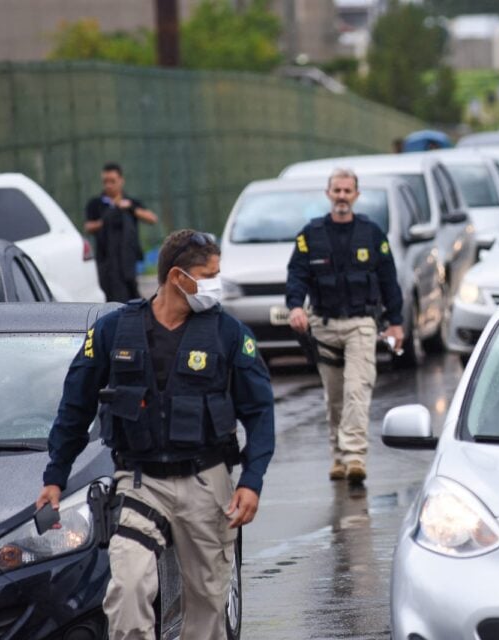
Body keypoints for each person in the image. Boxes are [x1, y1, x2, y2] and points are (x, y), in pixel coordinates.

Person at [36, 229, 275, 640]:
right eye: (209, 274)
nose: (216, 282)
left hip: (206, 482)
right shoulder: (113, 332)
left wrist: (251, 482)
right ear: (178, 277)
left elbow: (260, 412)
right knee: (128, 589)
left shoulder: (228, 334)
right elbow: (75, 407)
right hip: (140, 484)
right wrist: (55, 477)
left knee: (209, 604)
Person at [286, 168, 403, 485]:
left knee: (356, 391)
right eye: (336, 190)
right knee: (335, 396)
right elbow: (297, 274)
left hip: (361, 325)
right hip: (323, 325)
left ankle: (355, 458)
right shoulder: (310, 235)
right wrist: (295, 306)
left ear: (356, 195)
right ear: (328, 194)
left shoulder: (372, 233)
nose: (341, 196)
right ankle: (338, 457)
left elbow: (389, 280)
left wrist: (396, 322)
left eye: (347, 191)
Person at [85, 162, 159, 302]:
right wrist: (107, 217)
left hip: (127, 261)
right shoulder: (96, 204)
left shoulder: (130, 202)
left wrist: (130, 208)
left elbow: (152, 218)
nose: (108, 185)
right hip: (105, 261)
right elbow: (88, 226)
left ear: (121, 181)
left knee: (131, 294)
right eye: (105, 181)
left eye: (112, 181)